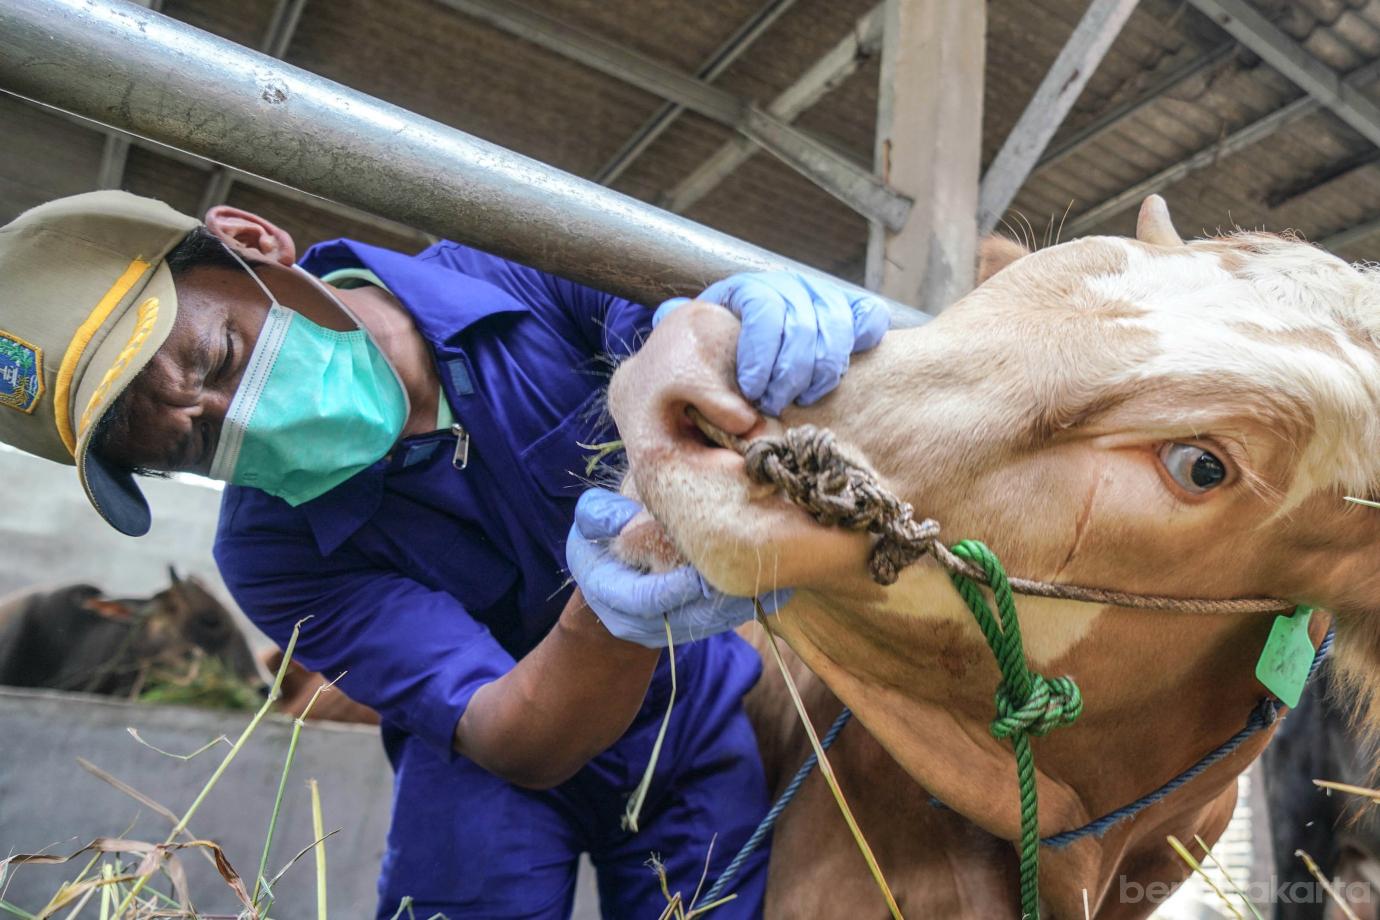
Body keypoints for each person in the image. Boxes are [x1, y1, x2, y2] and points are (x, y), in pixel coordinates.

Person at [0, 191, 888, 918]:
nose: (240, 419)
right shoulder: (270, 549)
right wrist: (617, 604)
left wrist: (724, 328)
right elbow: (511, 734)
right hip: (487, 773)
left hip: (687, 719)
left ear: (250, 242)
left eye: (223, 356)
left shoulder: (519, 255)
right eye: (195, 448)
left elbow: (661, 332)